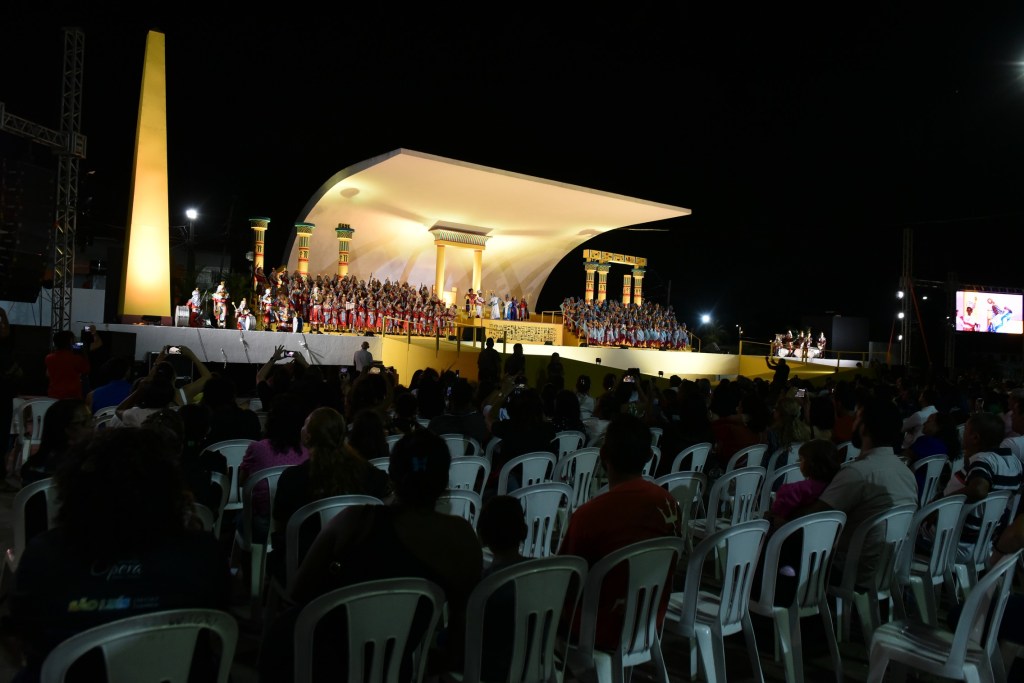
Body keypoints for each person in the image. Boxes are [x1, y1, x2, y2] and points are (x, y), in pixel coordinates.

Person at [7, 427, 231, 683]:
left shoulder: (45, 554)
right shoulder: (204, 553)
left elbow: (25, 630)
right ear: (169, 486)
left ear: (76, 487)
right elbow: (217, 621)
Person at [261, 429, 482, 681]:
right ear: (444, 482)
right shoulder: (462, 538)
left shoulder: (355, 521)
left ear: (392, 475)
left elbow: (297, 592)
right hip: (395, 667)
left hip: (325, 663)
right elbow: (461, 626)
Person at [558, 413, 681, 650]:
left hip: (597, 627)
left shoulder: (590, 514)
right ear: (648, 456)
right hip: (649, 619)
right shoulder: (669, 503)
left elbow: (567, 579)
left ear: (603, 455)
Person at [790, 396, 918, 583]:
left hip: (850, 570)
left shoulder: (857, 473)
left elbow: (812, 517)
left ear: (864, 428)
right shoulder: (906, 473)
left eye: (857, 418)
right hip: (888, 568)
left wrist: (781, 516)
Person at [268, 406, 393, 584]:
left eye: (305, 424)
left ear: (308, 436)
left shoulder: (293, 478)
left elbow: (281, 527)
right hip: (358, 565)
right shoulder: (368, 474)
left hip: (305, 569)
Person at [939, 411, 1023, 561]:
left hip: (954, 541)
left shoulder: (984, 460)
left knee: (906, 533)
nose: (962, 433)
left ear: (975, 438)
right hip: (984, 542)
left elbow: (979, 489)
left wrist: (941, 504)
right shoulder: (1014, 462)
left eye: (966, 430)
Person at [19, 399, 94, 487]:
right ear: (68, 429)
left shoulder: (33, 465)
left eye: (91, 419)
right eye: (86, 422)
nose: (92, 425)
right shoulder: (82, 468)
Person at [44, 330, 92, 400]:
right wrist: (84, 354)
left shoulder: (48, 358)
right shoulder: (76, 358)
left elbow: (48, 374)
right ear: (70, 342)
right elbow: (86, 370)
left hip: (54, 395)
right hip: (72, 396)